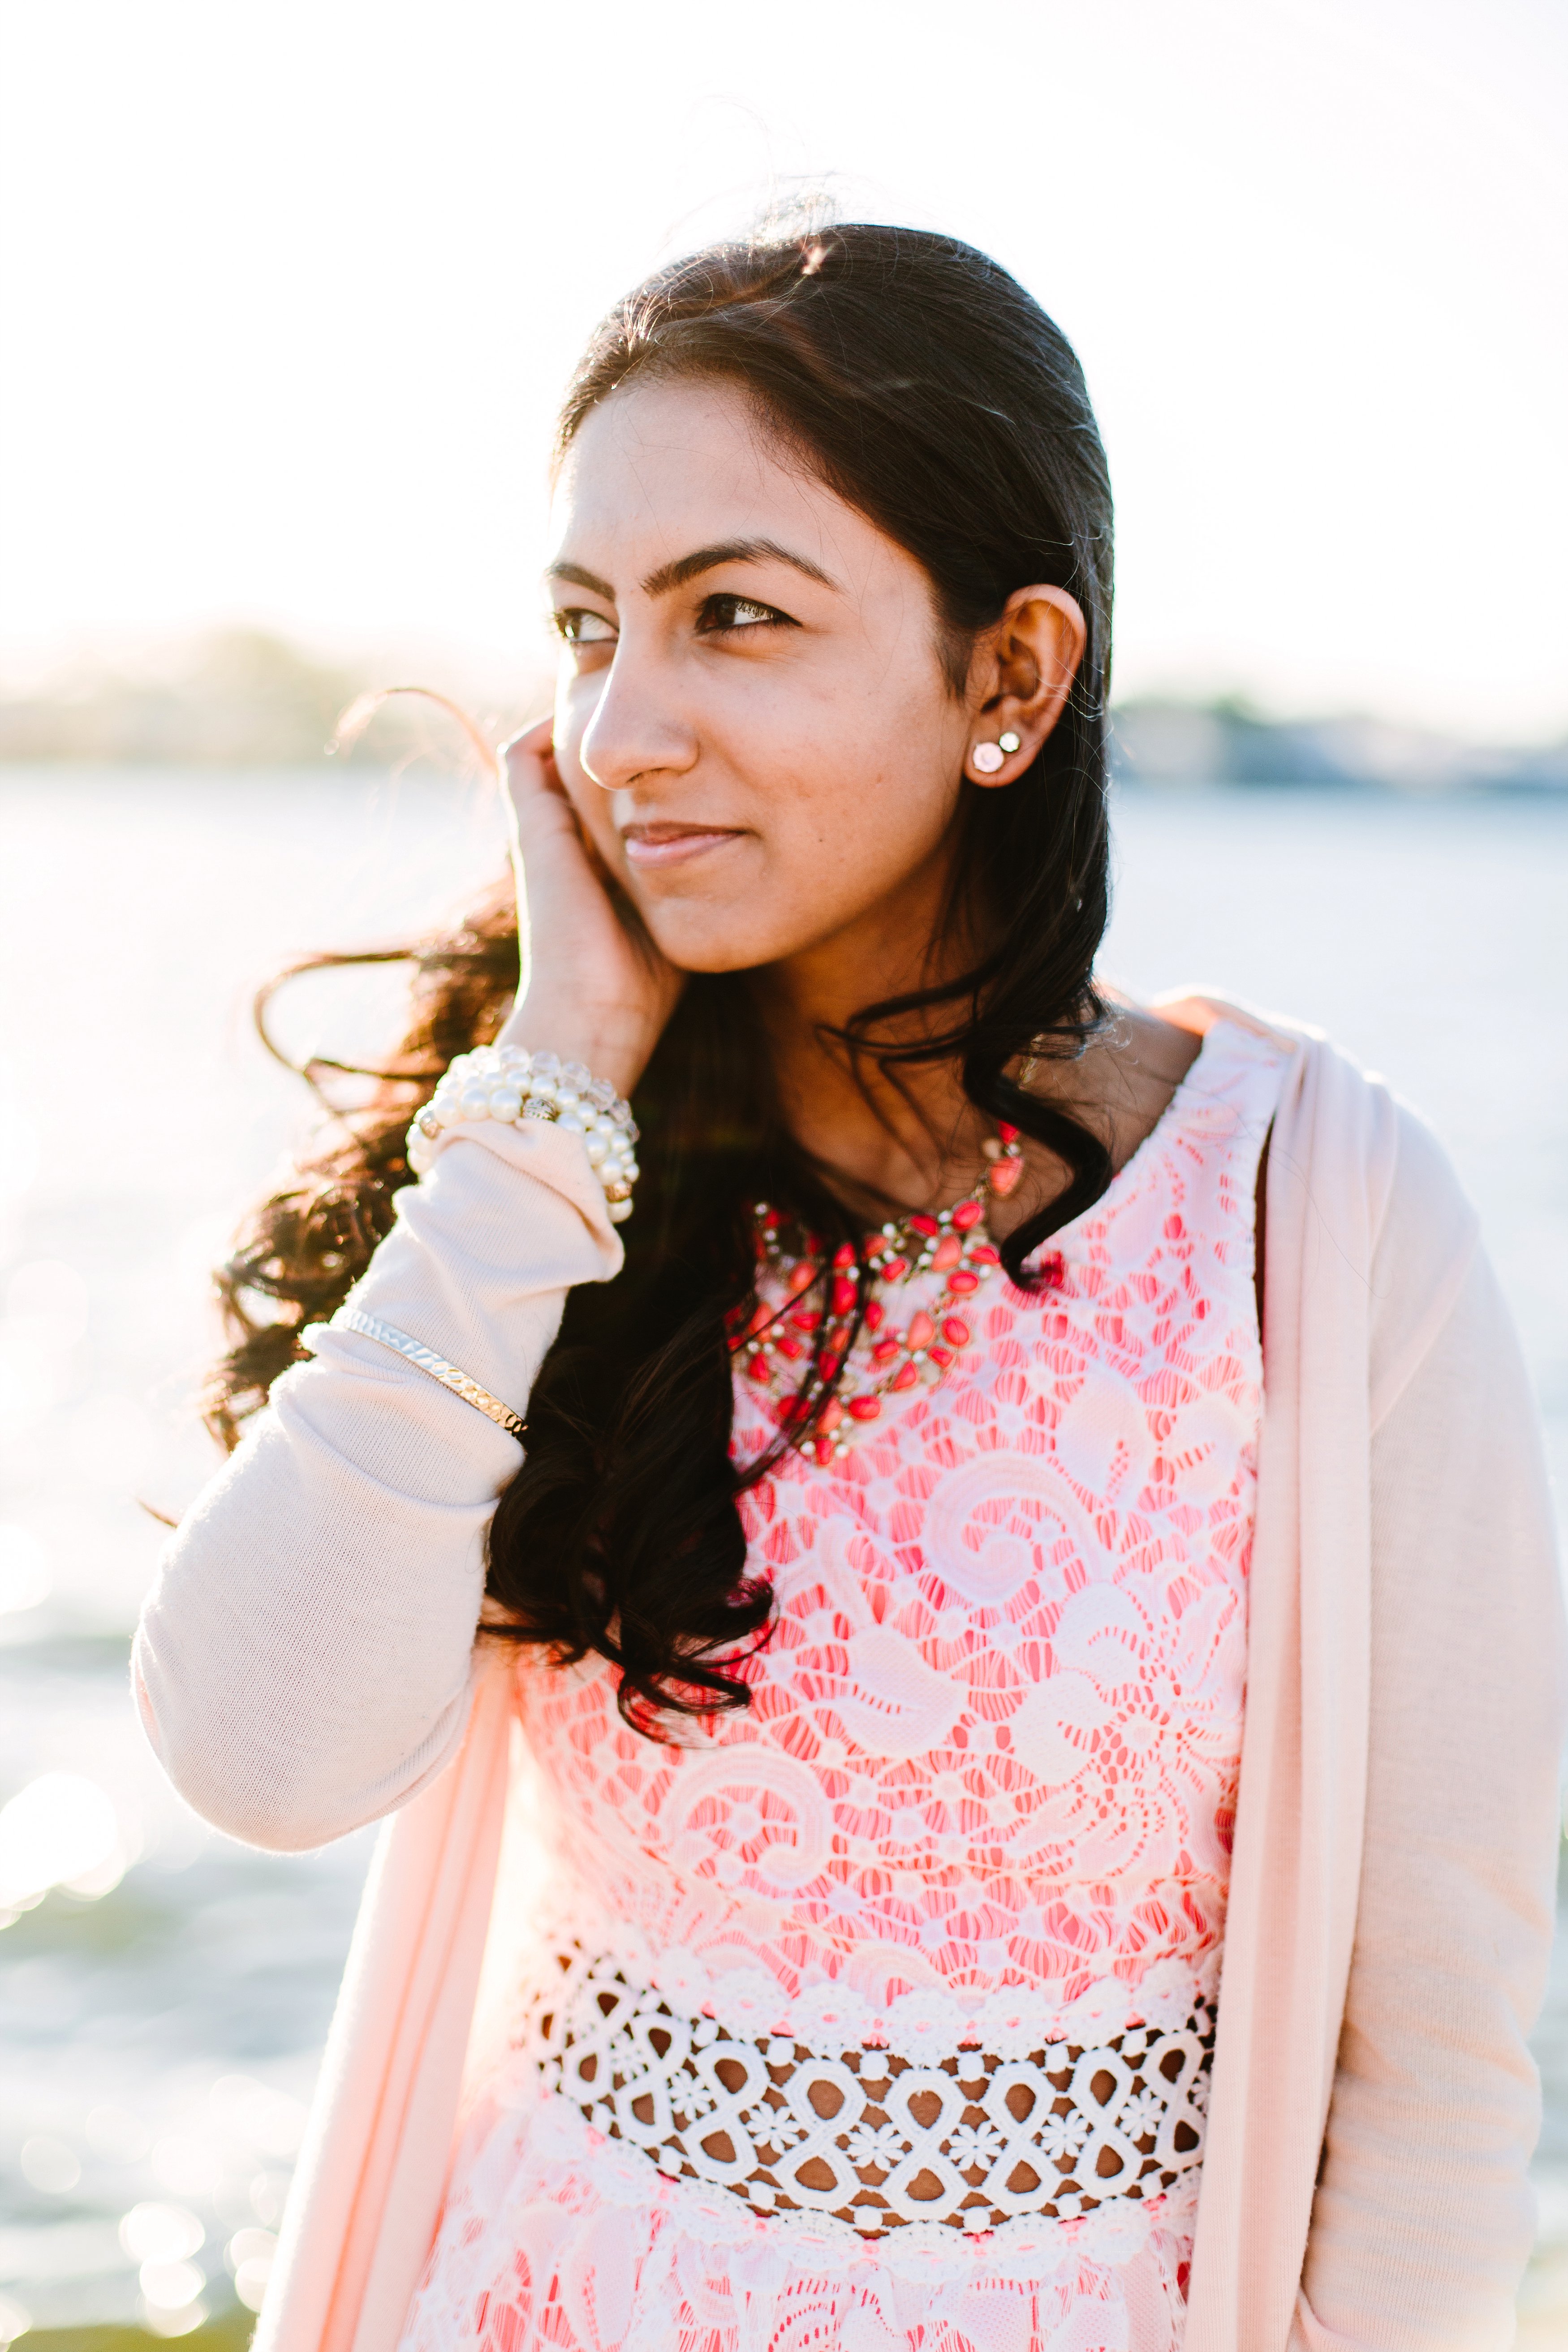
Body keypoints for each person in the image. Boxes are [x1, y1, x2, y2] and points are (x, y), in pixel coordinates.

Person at [132, 226, 1564, 2352]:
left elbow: (1434, 2066)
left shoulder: (1317, 1210)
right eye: (584, 626)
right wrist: (550, 1096)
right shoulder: (548, 1163)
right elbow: (255, 1759)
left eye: (734, 617)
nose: (621, 726)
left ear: (1009, 676)